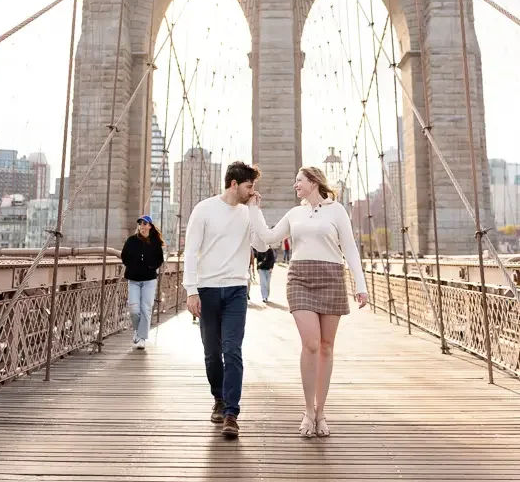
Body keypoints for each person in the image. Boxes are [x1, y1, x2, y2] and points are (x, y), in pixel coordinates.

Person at [247, 166, 368, 439]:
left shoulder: (337, 211)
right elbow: (266, 240)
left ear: (313, 182)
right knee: (311, 343)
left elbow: (349, 247)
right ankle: (307, 411)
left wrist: (361, 286)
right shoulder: (295, 213)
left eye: (299, 180)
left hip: (331, 277)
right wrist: (254, 208)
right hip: (300, 278)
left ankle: (321, 411)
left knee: (326, 347)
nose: (295, 185)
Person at [183, 161, 267, 439]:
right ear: (234, 184)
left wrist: (255, 210)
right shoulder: (204, 209)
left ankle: (231, 412)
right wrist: (191, 290)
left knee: (232, 349)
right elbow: (191, 250)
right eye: (249, 186)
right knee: (211, 354)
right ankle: (218, 398)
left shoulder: (248, 212)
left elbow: (263, 245)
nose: (252, 191)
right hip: (207, 289)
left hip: (235, 290)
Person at [121, 214, 165, 350]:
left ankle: (142, 338)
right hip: (133, 279)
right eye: (140, 224)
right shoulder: (131, 240)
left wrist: (150, 266)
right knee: (134, 310)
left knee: (146, 309)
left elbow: (159, 259)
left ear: (150, 226)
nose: (142, 226)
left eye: (145, 224)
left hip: (149, 280)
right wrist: (132, 265)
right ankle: (137, 330)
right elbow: (124, 256)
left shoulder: (155, 242)